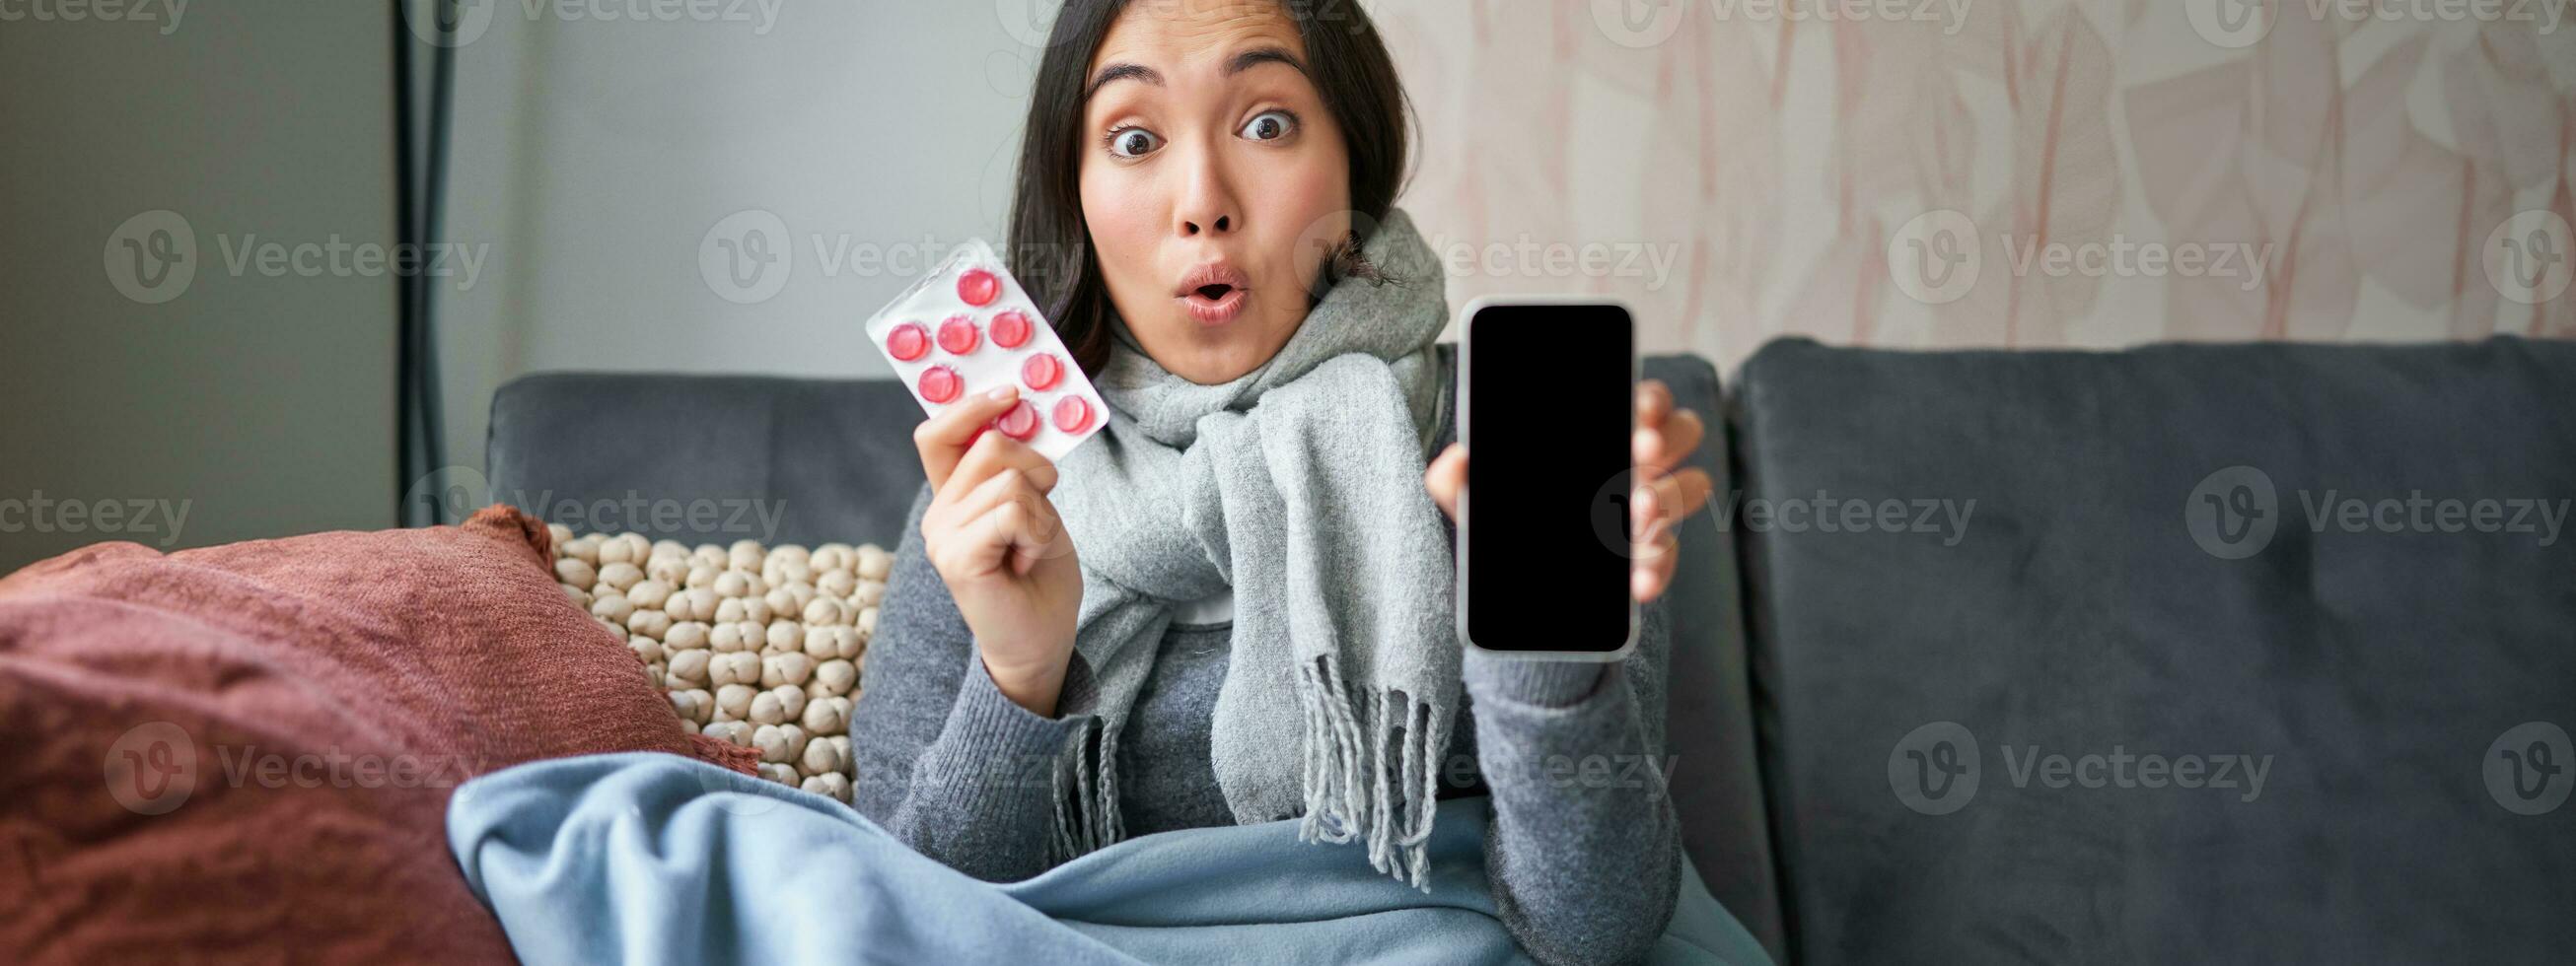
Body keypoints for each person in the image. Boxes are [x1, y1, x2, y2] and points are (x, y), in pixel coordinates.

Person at [846, 2, 1718, 963]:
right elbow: (897, 921)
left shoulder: (1511, 437)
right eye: (1133, 138)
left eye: (1265, 123)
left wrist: (1543, 660)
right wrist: (1017, 677)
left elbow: (1594, 929)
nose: (1202, 199)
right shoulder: (996, 488)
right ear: (1075, 196)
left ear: (1352, 162)